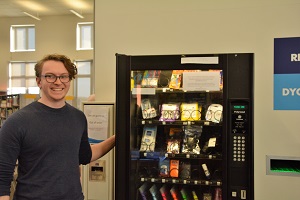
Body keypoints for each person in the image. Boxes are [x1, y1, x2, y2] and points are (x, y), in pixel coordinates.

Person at [0, 54, 115, 200]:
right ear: (39, 81)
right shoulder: (17, 122)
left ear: (69, 80)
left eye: (63, 76)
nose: (58, 82)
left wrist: (117, 138)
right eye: (50, 76)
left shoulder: (78, 118)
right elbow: (2, 179)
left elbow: (85, 156)